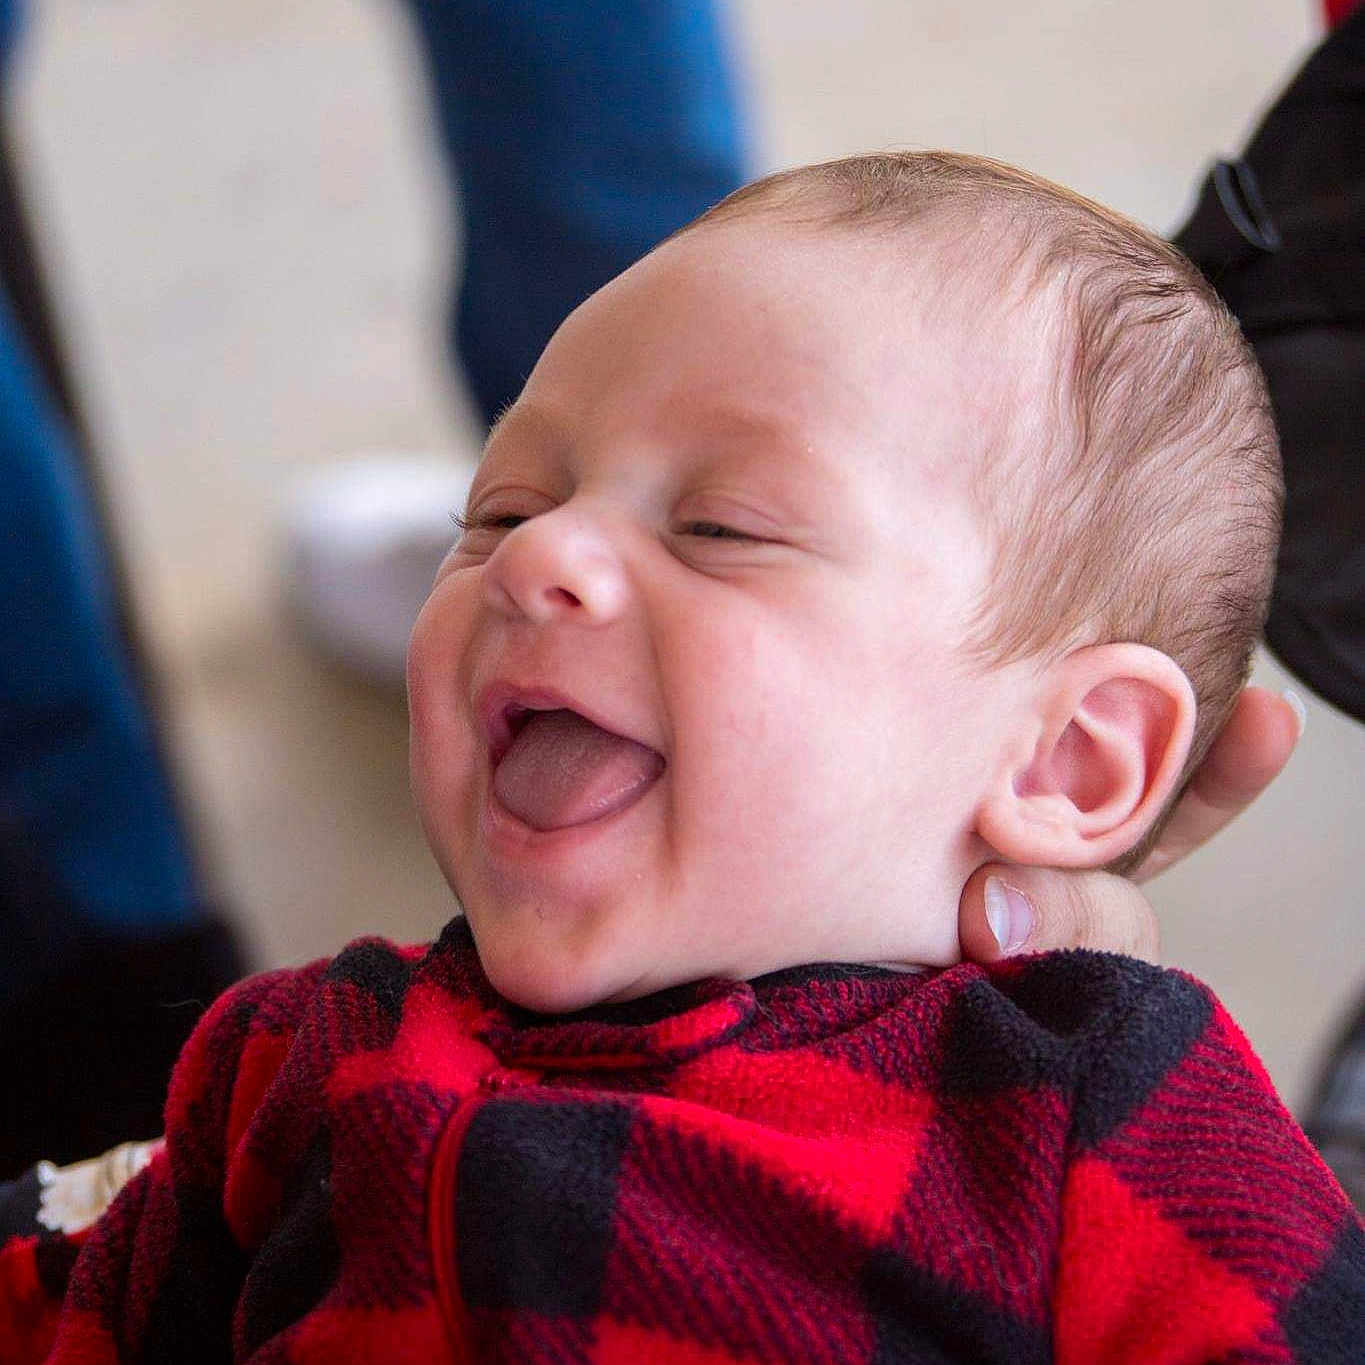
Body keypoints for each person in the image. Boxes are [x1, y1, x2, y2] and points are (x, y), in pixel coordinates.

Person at [4, 151, 1360, 1361]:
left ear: (1067, 761)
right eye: (501, 507)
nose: (536, 554)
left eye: (718, 526)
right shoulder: (305, 1054)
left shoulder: (1086, 1109)